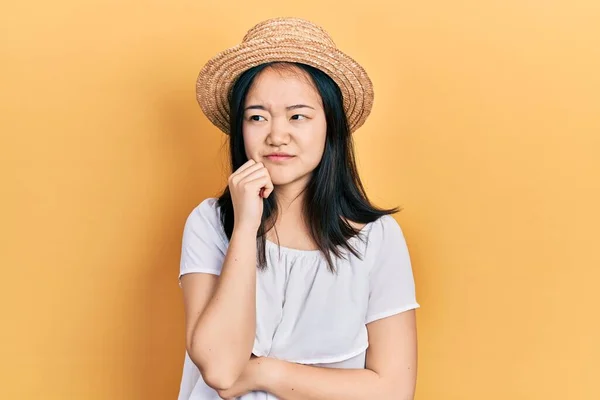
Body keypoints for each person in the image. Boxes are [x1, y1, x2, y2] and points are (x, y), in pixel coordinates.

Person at [177, 17, 420, 400]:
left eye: (298, 116)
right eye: (257, 116)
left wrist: (265, 372)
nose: (277, 135)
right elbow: (221, 369)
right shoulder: (210, 222)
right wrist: (244, 227)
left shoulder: (377, 238)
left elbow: (392, 390)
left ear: (330, 126)